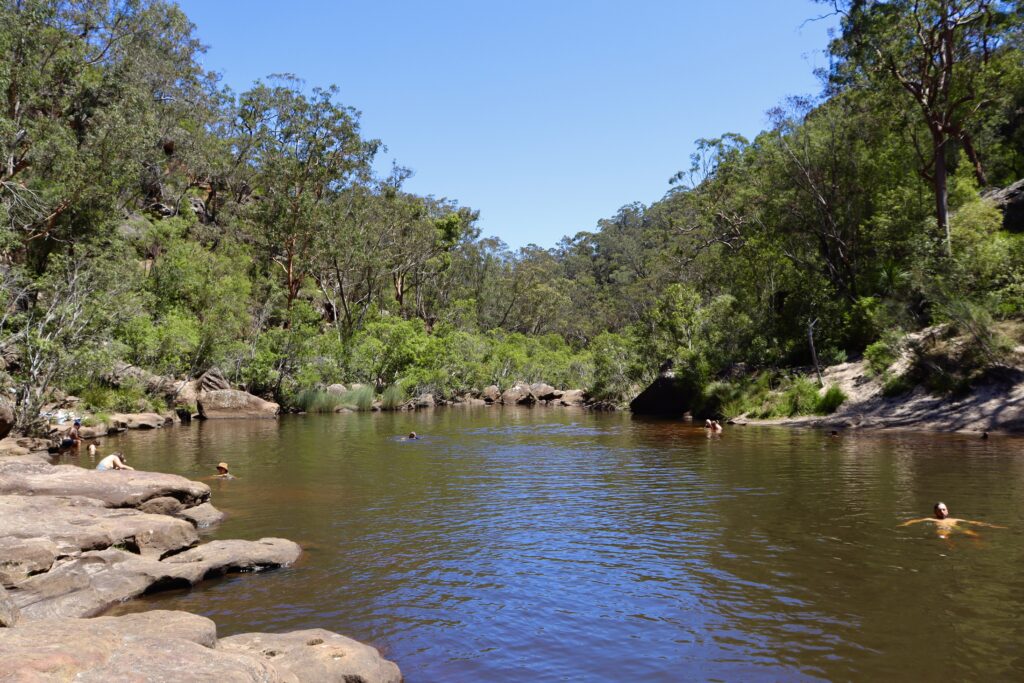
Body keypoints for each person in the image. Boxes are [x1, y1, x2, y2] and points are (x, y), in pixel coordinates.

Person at [900, 502, 1004, 538]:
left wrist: (992, 526)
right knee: (944, 536)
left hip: (956, 527)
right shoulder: (931, 519)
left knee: (974, 534)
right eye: (939, 510)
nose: (942, 512)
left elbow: (973, 522)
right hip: (943, 529)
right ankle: (950, 544)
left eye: (944, 509)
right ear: (935, 512)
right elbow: (915, 521)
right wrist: (905, 524)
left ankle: (977, 542)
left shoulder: (954, 519)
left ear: (947, 510)